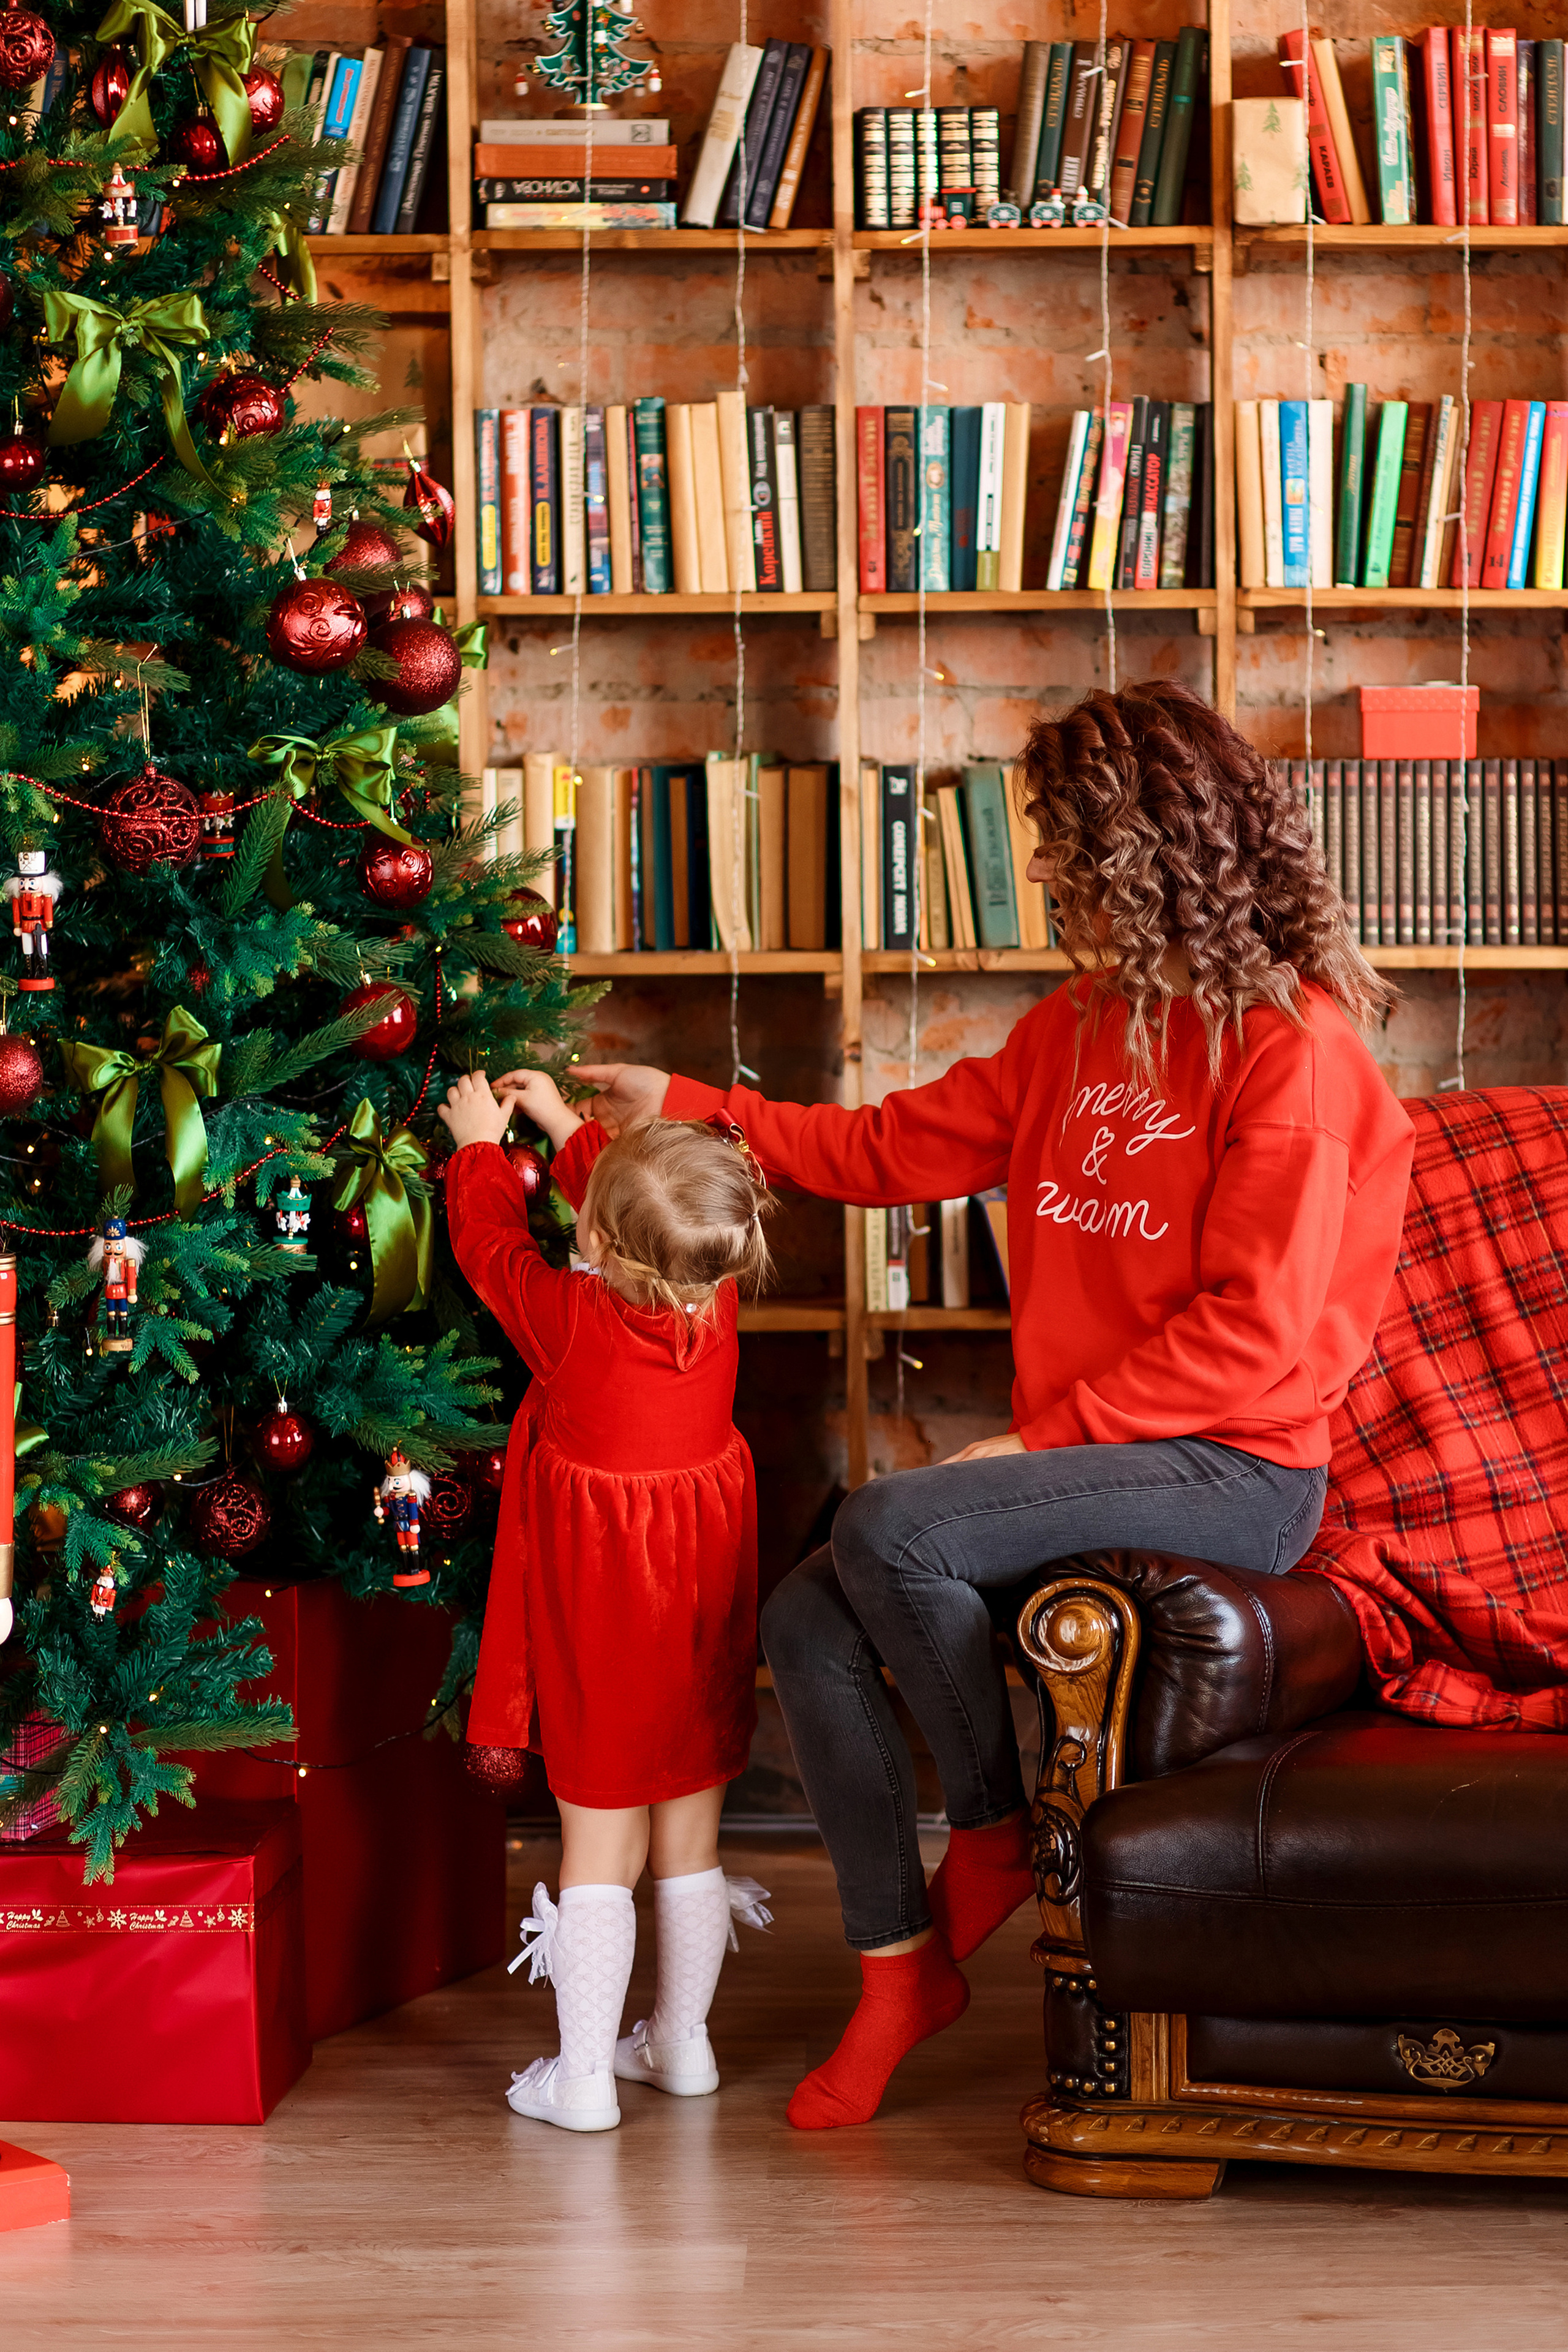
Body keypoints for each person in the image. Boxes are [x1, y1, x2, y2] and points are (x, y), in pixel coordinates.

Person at [576, 678, 1418, 2132]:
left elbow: (1257, 1334)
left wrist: (1043, 1435)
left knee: (893, 1522)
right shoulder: (1078, 1029)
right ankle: (903, 1970)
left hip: (1232, 1464)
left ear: (1147, 850)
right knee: (801, 1619)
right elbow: (881, 1148)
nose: (1037, 870)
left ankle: (989, 1835)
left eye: (1059, 841)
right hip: (1107, 1449)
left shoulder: (1298, 1053)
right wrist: (694, 1104)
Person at [439, 1068, 777, 2134]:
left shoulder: (569, 1317)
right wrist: (565, 1125)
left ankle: (582, 2076)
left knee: (599, 1841)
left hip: (607, 1601)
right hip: (704, 1597)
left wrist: (486, 1149)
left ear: (597, 1240)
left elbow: (491, 1253)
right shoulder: (712, 1301)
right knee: (689, 1828)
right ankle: (681, 2045)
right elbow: (649, 1215)